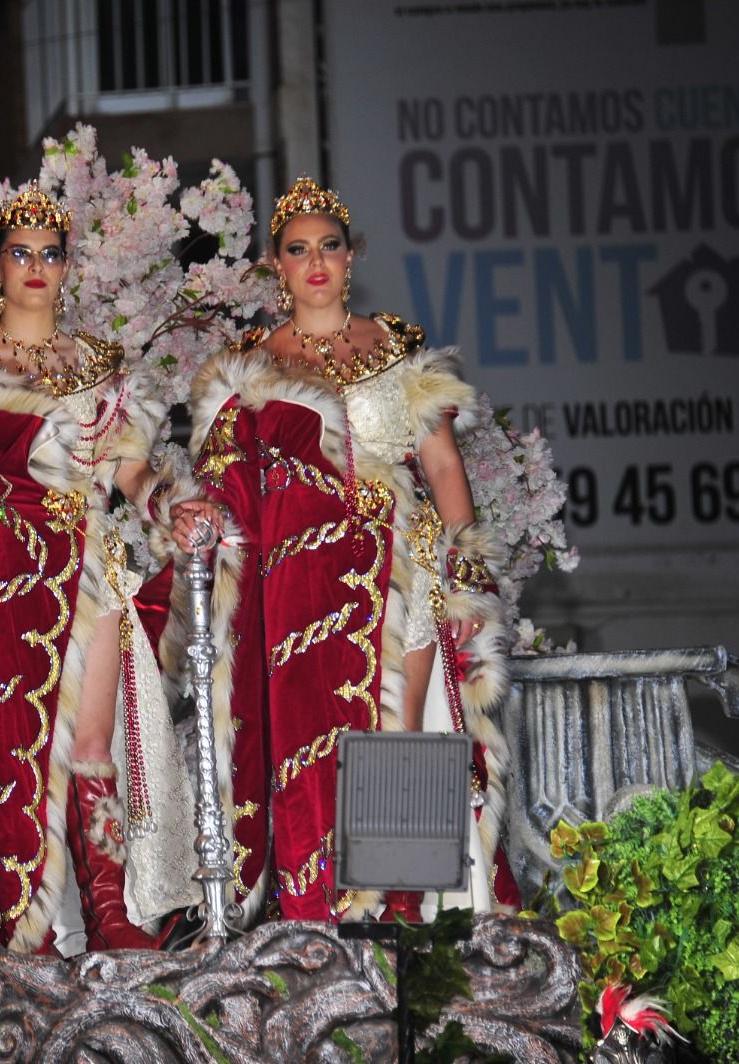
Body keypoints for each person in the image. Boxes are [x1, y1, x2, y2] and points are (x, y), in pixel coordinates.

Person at [163, 176, 522, 923]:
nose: (316, 261)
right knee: (308, 751)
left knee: (398, 743)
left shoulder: (394, 350)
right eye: (299, 250)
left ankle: (398, 933)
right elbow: (221, 479)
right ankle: (317, 926)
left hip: (401, 564)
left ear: (350, 257)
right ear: (276, 267)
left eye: (329, 246)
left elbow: (443, 466)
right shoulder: (250, 366)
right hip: (298, 582)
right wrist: (195, 508)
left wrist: (467, 579)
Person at [0, 182, 199, 954]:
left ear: (66, 269)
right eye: (20, 253)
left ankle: (111, 910)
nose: (35, 268)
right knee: (7, 752)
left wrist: (172, 505)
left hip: (84, 571)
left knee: (90, 741)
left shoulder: (97, 367)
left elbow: (129, 474)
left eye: (50, 254)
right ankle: (22, 930)